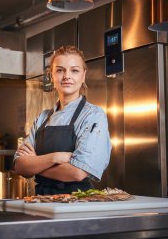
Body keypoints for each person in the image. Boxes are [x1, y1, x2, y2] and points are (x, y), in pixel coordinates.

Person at [14, 45, 111, 195]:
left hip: (76, 204)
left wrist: (36, 163)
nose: (67, 76)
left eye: (74, 70)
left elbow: (77, 173)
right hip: (42, 202)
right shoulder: (42, 118)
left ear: (83, 75)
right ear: (51, 75)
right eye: (60, 70)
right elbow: (20, 166)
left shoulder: (93, 115)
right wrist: (56, 157)